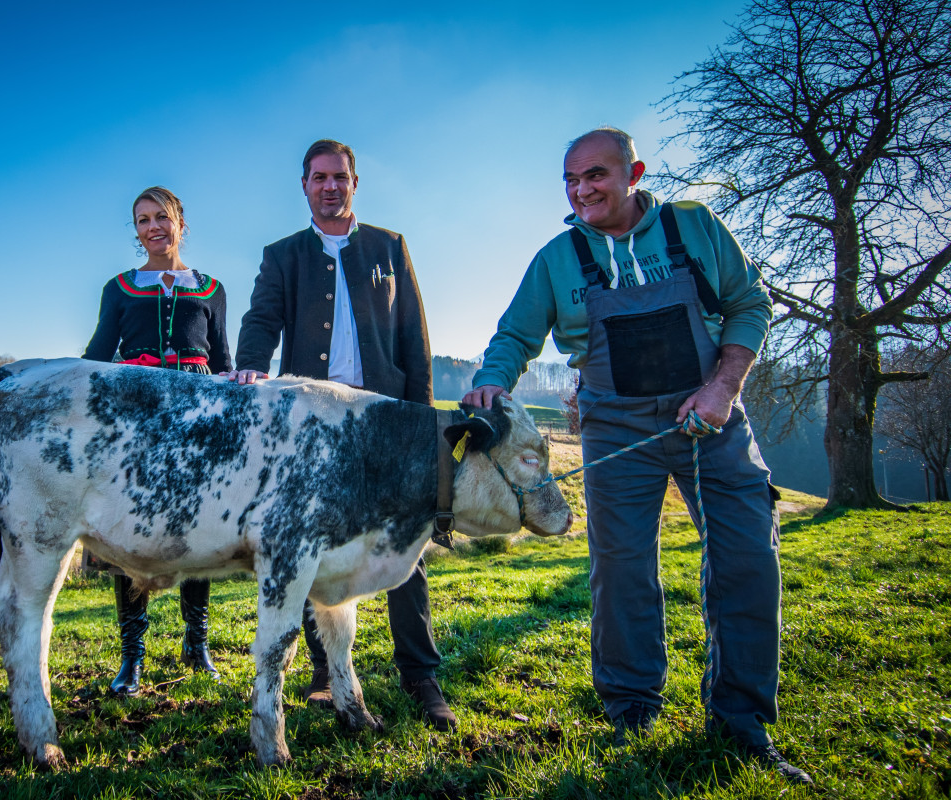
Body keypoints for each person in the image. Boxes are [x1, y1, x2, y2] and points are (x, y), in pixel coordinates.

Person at [462, 128, 812, 785]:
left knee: (747, 558)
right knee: (621, 571)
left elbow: (749, 304)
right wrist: (491, 381)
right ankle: (631, 715)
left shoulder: (694, 228)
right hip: (615, 428)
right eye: (570, 180)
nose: (582, 189)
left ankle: (742, 724)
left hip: (709, 415)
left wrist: (722, 387)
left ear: (633, 172)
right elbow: (515, 334)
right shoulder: (557, 258)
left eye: (596, 175)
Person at [224, 139, 455, 731]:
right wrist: (250, 364)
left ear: (355, 183)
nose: (330, 186)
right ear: (303, 185)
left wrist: (423, 423)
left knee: (408, 546)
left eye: (340, 177)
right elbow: (260, 321)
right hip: (315, 427)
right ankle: (326, 674)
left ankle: (420, 675)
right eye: (319, 177)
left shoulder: (389, 247)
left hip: (385, 420)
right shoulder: (283, 255)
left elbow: (414, 338)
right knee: (308, 545)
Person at [83, 185, 232, 694]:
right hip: (137, 424)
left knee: (201, 530)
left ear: (181, 223)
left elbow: (225, 362)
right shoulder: (120, 288)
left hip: (198, 421)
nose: (153, 227)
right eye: (142, 220)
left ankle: (197, 643)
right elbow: (98, 354)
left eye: (161, 217)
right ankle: (132, 657)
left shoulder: (211, 289)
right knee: (131, 536)